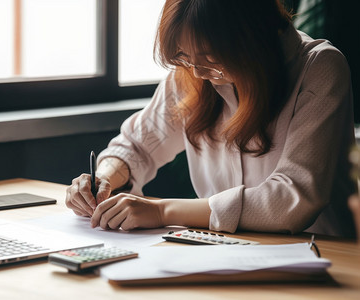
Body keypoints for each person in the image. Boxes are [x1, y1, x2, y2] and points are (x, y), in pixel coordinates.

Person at [65, 0, 356, 237]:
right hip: (221, 250)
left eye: (210, 59)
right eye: (185, 57)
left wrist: (161, 211)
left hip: (319, 253)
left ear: (252, 39)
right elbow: (137, 145)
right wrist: (104, 178)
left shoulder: (319, 68)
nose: (197, 72)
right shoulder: (193, 72)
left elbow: (291, 198)